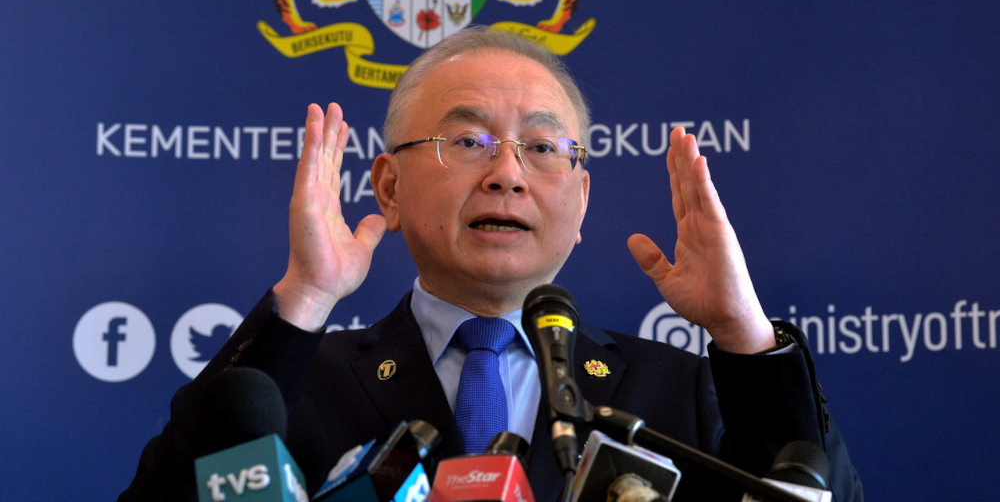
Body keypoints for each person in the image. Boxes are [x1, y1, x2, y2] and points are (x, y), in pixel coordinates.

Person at [119, 27, 862, 501]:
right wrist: (304, 297)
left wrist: (743, 336)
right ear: (388, 188)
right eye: (469, 142)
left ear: (581, 199)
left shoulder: (679, 395)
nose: (507, 173)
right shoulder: (302, 384)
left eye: (541, 147)